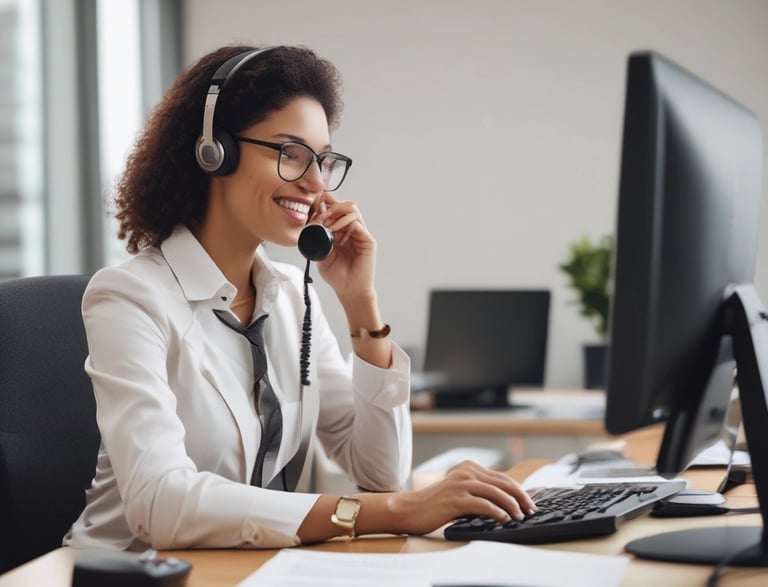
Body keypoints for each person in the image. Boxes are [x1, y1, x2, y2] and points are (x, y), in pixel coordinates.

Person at [64, 44, 536, 552]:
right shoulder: (131, 298)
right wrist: (396, 512)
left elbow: (380, 471)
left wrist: (360, 302)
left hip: (245, 571)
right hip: (129, 574)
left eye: (323, 160)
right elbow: (161, 503)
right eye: (290, 154)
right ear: (214, 151)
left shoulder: (288, 296)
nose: (314, 183)